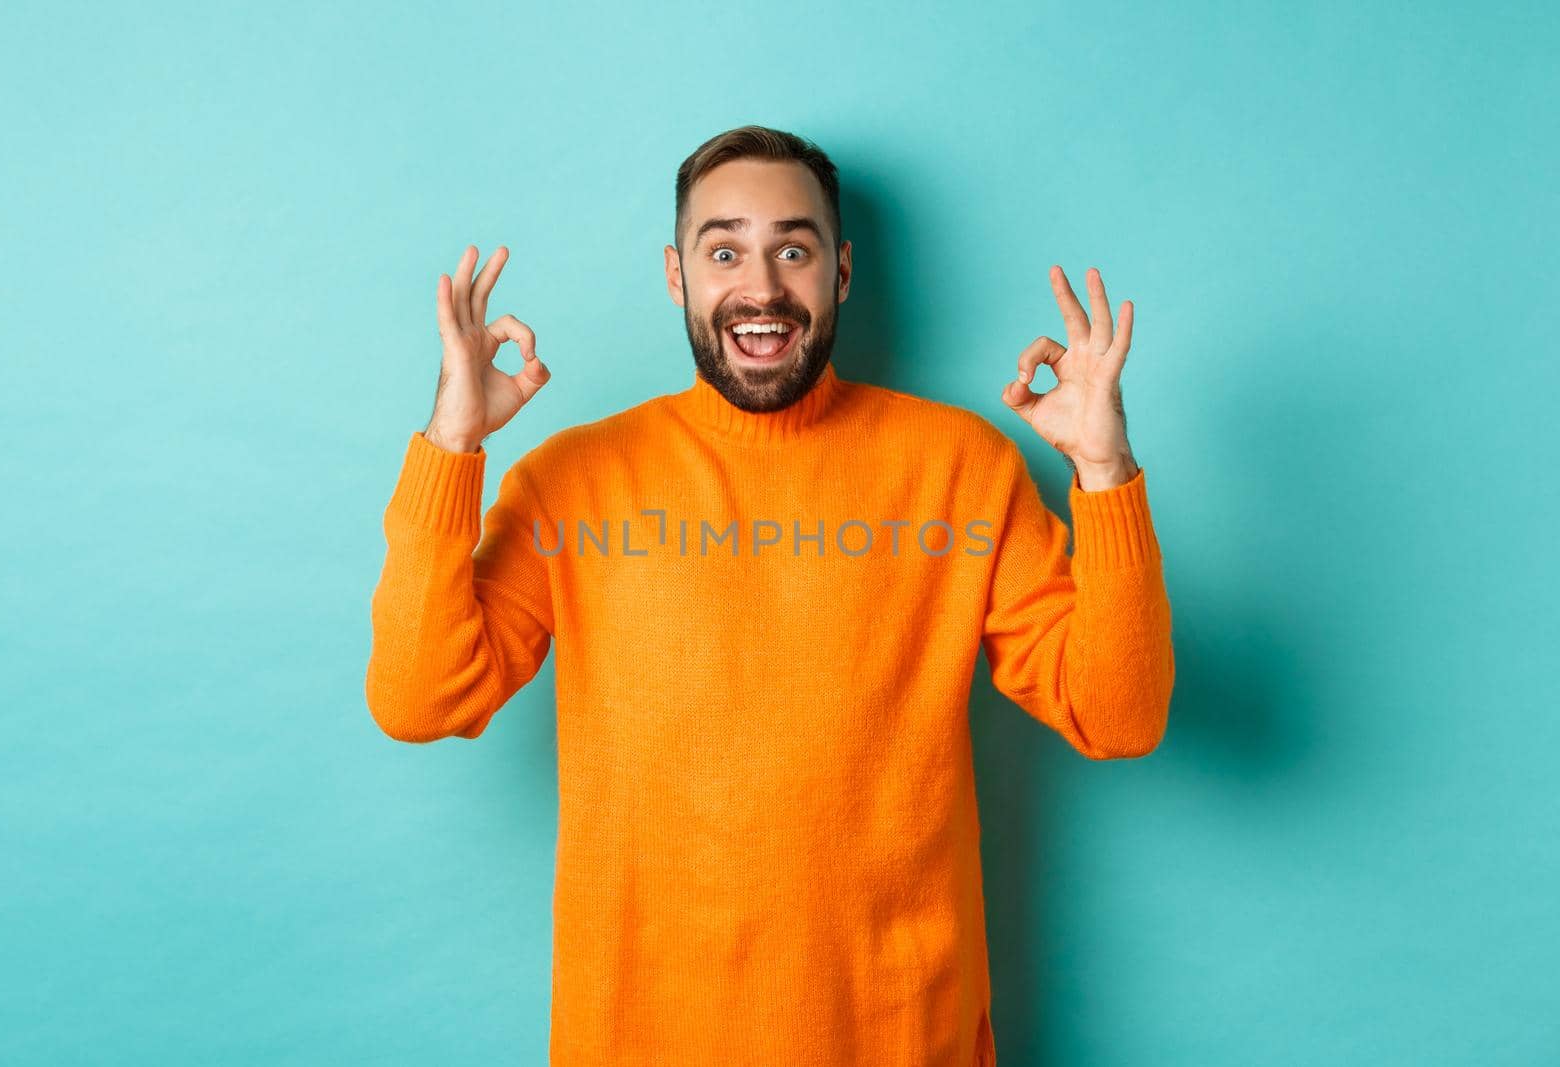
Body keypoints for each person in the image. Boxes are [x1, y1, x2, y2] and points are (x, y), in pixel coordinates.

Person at [366, 124, 1174, 1066]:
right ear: (678, 276)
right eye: (724, 250)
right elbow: (420, 698)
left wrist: (1105, 471)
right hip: (640, 1038)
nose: (761, 286)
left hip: (902, 1036)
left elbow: (1119, 715)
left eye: (793, 249)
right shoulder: (572, 481)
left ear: (839, 273)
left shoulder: (962, 470)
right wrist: (451, 443)